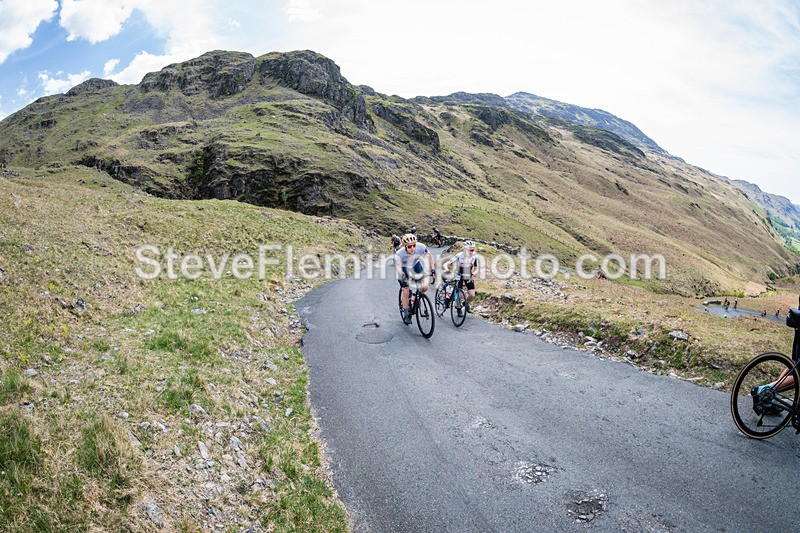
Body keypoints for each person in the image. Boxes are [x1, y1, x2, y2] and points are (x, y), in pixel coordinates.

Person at [395, 233, 434, 324]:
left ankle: (417, 297)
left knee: (425, 287)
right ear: (405, 246)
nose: (412, 248)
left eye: (414, 245)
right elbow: (397, 266)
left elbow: (429, 256)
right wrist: (403, 275)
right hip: (403, 268)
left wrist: (432, 269)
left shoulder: (421, 247)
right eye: (409, 246)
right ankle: (406, 313)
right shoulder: (399, 253)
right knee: (405, 290)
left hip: (416, 265)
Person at [443, 240, 479, 317]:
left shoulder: (474, 257)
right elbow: (446, 264)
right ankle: (458, 308)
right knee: (459, 294)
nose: (472, 252)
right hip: (458, 274)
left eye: (473, 250)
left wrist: (473, 274)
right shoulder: (459, 256)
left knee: (472, 295)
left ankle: (465, 303)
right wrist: (447, 270)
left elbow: (476, 268)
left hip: (468, 274)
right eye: (470, 250)